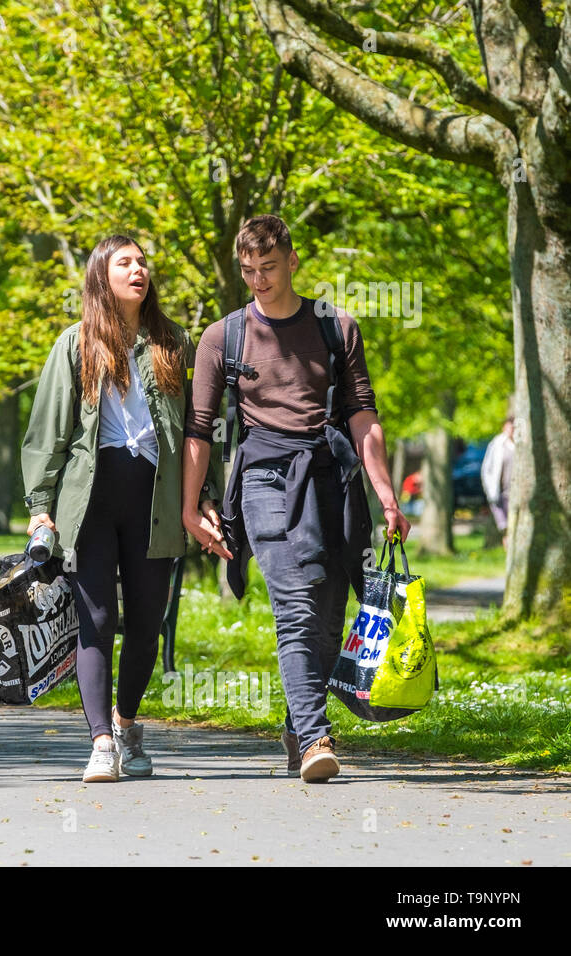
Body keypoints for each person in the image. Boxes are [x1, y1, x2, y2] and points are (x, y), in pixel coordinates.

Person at [181, 215, 409, 783]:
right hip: (263, 478)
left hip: (332, 476)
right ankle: (314, 738)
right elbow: (199, 429)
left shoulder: (337, 326)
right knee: (295, 606)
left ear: (293, 261)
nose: (258, 279)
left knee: (331, 618)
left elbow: (363, 417)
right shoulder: (223, 337)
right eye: (248, 269)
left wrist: (386, 495)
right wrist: (191, 508)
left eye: (269, 267)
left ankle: (295, 723)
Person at [21, 235, 220, 783]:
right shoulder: (76, 343)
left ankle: (127, 723)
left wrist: (203, 497)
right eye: (124, 263)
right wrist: (41, 507)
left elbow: (200, 430)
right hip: (91, 497)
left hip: (155, 497)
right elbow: (47, 431)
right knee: (98, 618)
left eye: (142, 261)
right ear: (101, 277)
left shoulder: (174, 342)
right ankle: (101, 743)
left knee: (147, 622)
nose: (138, 270)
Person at [481, 416, 515, 548]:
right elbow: (486, 469)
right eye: (509, 427)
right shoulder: (497, 444)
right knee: (505, 527)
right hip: (500, 494)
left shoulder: (521, 444)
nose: (511, 430)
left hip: (515, 493)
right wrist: (489, 489)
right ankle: (509, 555)